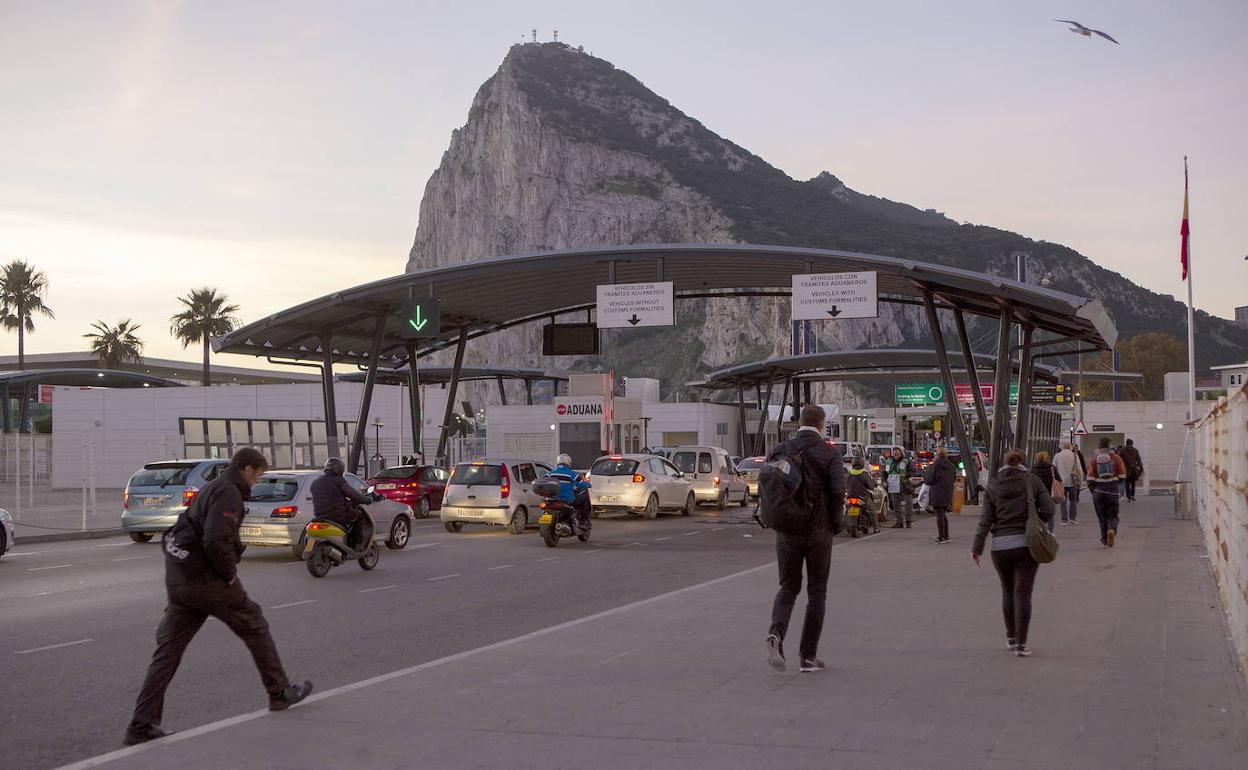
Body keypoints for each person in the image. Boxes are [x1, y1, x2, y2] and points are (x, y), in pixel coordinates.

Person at [125, 448, 312, 746]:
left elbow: (184, 528)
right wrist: (228, 575)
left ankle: (141, 724)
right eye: (258, 475)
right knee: (255, 626)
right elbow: (215, 539)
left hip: (179, 580)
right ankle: (279, 692)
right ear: (247, 469)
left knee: (167, 653)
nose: (257, 482)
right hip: (207, 580)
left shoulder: (211, 487)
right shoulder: (229, 493)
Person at [765, 405, 845, 674]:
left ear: (799, 423)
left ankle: (776, 633)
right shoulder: (829, 453)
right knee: (817, 593)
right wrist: (836, 524)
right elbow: (837, 493)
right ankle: (808, 657)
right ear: (822, 426)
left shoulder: (780, 449)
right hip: (818, 531)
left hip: (786, 531)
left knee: (787, 588)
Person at [971, 449, 1054, 657]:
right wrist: (1036, 521)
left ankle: (1010, 637)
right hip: (1027, 544)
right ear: (1022, 463)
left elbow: (985, 520)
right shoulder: (1032, 481)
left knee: (1007, 591)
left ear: (1004, 464)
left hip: (1000, 546)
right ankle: (1022, 644)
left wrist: (977, 547)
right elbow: (1050, 508)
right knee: (1023, 593)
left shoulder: (993, 484)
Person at [311, 457, 373, 547]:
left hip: (319, 516)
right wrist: (366, 499)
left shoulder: (316, 482)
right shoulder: (338, 481)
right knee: (359, 515)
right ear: (340, 469)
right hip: (337, 515)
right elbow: (354, 494)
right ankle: (357, 543)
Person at [1087, 437, 1127, 548]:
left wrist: (1093, 491)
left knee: (1102, 517)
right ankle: (1111, 530)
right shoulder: (1116, 458)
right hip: (1112, 492)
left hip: (1098, 492)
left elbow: (1090, 478)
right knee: (1113, 516)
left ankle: (1104, 540)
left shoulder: (1094, 460)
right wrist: (1116, 482)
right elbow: (1123, 475)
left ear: (1099, 447)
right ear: (1110, 446)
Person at [548, 453, 591, 525]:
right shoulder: (571, 474)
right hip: (567, 499)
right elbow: (581, 484)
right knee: (585, 498)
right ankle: (584, 520)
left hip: (553, 499)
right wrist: (588, 484)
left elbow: (542, 480)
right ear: (568, 462)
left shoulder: (550, 473)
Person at [926, 447, 956, 543]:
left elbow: (929, 480)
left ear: (937, 455)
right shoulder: (951, 465)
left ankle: (941, 537)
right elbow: (954, 478)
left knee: (939, 515)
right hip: (948, 492)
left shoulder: (934, 465)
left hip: (937, 492)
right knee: (943, 513)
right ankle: (946, 536)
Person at [845, 457, 878, 537]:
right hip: (863, 497)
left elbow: (843, 484)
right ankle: (876, 528)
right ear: (862, 464)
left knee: (847, 511)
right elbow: (871, 485)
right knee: (873, 511)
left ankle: (847, 527)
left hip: (849, 497)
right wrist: (873, 485)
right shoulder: (864, 474)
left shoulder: (848, 474)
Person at [1030, 451, 1062, 533]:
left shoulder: (1033, 468)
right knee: (1050, 510)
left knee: (1036, 510)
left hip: (1036, 493)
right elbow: (1059, 480)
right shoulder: (1052, 468)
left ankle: (1039, 528)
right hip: (1049, 493)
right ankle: (1050, 530)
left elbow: (1029, 481)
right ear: (1047, 459)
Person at [1053, 443, 1083, 525]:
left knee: (1063, 501)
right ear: (1070, 447)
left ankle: (1064, 520)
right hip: (1073, 481)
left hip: (1061, 482)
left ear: (1062, 447)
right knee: (1073, 500)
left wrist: (1054, 480)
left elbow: (1053, 468)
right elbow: (1079, 469)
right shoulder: (1074, 455)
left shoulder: (1057, 456)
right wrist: (1081, 481)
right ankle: (1072, 518)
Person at [883, 447, 914, 528]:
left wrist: (906, 475)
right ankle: (899, 522)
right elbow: (884, 473)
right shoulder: (889, 462)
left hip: (905, 485)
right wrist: (884, 481)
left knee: (908, 504)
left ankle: (908, 521)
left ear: (901, 453)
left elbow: (913, 471)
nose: (896, 455)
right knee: (896, 505)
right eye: (894, 453)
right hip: (893, 486)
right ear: (892, 454)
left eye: (897, 453)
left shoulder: (906, 461)